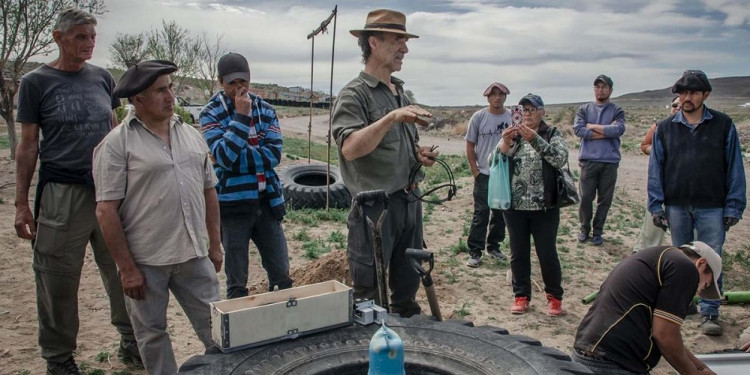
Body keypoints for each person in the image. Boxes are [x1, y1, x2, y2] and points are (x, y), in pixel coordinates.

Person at [13, 8, 140, 374]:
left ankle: (131, 341)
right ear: (58, 38)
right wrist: (22, 204)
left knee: (122, 268)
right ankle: (58, 358)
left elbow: (116, 131)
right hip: (62, 193)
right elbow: (28, 145)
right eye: (80, 37)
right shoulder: (35, 82)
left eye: (92, 37)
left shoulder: (102, 79)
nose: (88, 44)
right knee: (56, 276)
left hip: (109, 192)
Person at [93, 60, 223, 374]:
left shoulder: (190, 135)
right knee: (152, 336)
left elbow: (209, 191)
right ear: (137, 100)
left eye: (171, 88)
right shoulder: (116, 145)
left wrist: (215, 244)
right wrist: (126, 269)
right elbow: (105, 210)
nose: (170, 96)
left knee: (220, 332)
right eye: (160, 90)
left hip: (193, 255)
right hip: (146, 262)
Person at [331, 9, 438, 317]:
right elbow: (350, 148)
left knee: (407, 287)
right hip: (375, 210)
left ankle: (407, 354)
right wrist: (390, 119)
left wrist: (418, 156)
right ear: (374, 43)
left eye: (405, 41)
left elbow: (395, 147)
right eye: (398, 40)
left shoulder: (399, 92)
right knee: (371, 296)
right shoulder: (354, 94)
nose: (405, 48)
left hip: (409, 202)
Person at [648, 69, 746, 336]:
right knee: (681, 258)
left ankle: (710, 311)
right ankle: (682, 306)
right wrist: (656, 205)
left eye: (692, 92)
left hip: (712, 205)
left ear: (706, 94)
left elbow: (735, 167)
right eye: (682, 92)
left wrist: (734, 206)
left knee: (711, 258)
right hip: (676, 205)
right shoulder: (666, 128)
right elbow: (656, 168)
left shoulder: (723, 125)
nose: (686, 97)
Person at [200, 52, 292, 298]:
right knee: (237, 281)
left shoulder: (266, 109)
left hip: (267, 202)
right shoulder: (210, 113)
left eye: (243, 81)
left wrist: (235, 154)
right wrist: (241, 117)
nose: (239, 87)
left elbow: (273, 155)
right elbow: (225, 157)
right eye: (232, 83)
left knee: (282, 273)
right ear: (221, 82)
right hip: (232, 207)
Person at [573, 242, 722, 375]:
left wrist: (700, 367)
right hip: (613, 362)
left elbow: (666, 335)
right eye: (705, 285)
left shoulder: (658, 257)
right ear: (701, 264)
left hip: (588, 352)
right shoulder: (685, 268)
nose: (698, 292)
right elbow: (664, 335)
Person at [498, 94, 567, 316]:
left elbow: (559, 158)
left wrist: (535, 139)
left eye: (531, 109)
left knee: (547, 253)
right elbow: (494, 161)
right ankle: (521, 296)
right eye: (522, 110)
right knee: (518, 253)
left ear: (542, 112)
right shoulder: (514, 136)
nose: (526, 114)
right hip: (514, 207)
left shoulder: (552, 134)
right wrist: (504, 142)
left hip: (544, 207)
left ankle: (554, 298)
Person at [573, 74, 626, 246]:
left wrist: (593, 127)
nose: (600, 90)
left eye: (604, 87)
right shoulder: (584, 109)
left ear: (610, 90)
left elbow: (618, 130)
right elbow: (579, 130)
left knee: (605, 199)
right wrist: (604, 131)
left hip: (609, 162)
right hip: (589, 160)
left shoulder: (616, 110)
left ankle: (598, 231)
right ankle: (584, 229)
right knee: (586, 197)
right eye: (597, 87)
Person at [465, 82, 511, 268]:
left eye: (501, 94)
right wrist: (475, 170)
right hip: (484, 173)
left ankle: (493, 246)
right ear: (488, 97)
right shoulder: (479, 117)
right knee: (481, 213)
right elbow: (470, 145)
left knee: (501, 212)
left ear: (505, 96)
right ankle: (475, 251)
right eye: (493, 95)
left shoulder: (512, 117)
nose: (497, 98)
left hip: (505, 174)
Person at [631, 96, 680, 253]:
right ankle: (645, 253)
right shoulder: (661, 126)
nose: (677, 108)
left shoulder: (698, 129)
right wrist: (659, 152)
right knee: (654, 221)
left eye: (680, 105)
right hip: (662, 183)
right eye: (674, 105)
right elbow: (644, 145)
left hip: (688, 186)